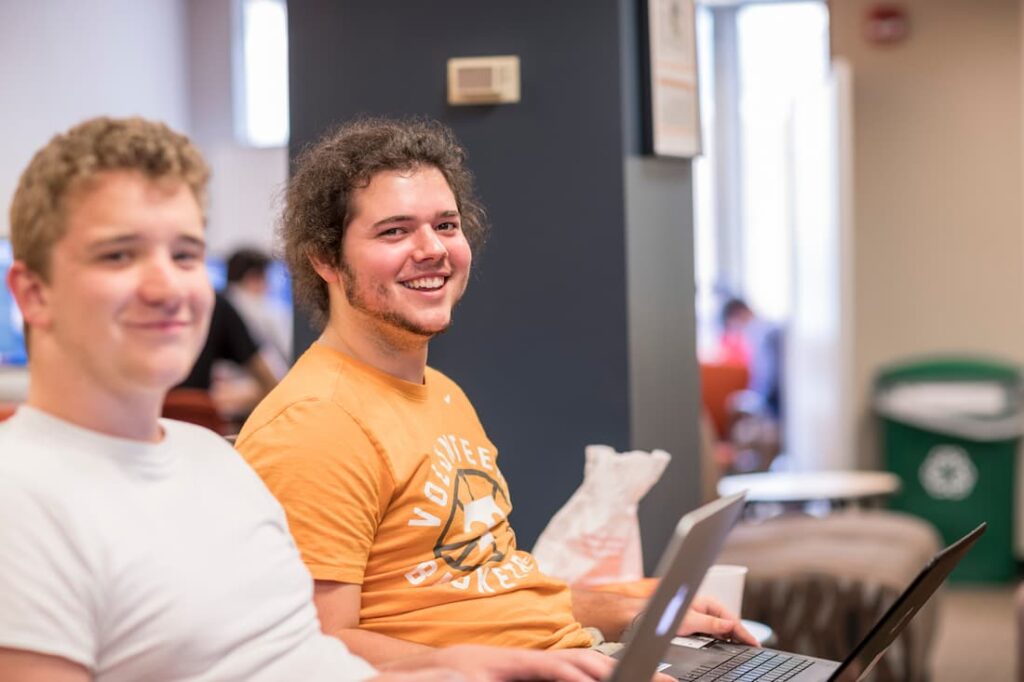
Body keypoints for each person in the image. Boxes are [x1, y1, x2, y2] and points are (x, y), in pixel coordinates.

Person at [0, 115, 618, 682]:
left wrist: (463, 668)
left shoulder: (208, 462)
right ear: (32, 293)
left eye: (186, 254)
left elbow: (305, 660)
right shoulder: (22, 498)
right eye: (118, 255)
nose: (167, 286)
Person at [235, 117, 757, 666]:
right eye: (394, 231)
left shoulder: (442, 393)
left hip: (576, 660)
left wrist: (631, 605)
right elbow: (316, 651)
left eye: (446, 224)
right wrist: (521, 667)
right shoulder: (316, 421)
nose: (431, 248)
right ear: (324, 258)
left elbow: (483, 592)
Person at [224, 246, 293, 378]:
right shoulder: (264, 311)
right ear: (253, 278)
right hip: (261, 388)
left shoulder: (220, 306)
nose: (268, 285)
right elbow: (290, 352)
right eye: (265, 277)